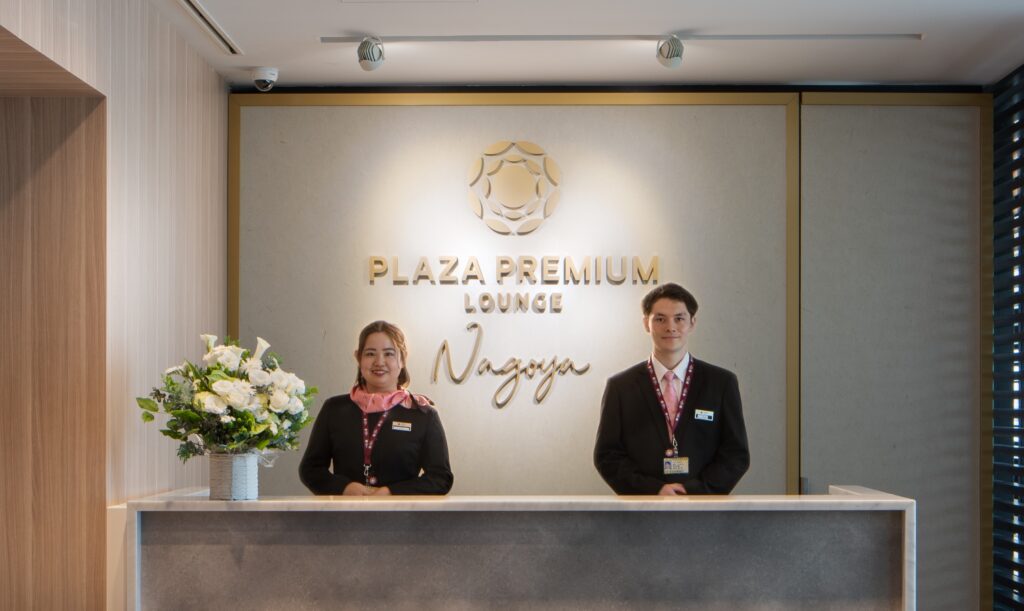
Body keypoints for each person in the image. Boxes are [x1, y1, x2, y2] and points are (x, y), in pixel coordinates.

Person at [594, 283, 749, 495]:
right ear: (646, 324)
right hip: (641, 513)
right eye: (660, 319)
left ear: (692, 323)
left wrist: (693, 491)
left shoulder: (721, 383)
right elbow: (607, 455)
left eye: (679, 318)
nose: (670, 327)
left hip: (704, 511)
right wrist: (654, 490)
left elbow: (735, 455)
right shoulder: (621, 387)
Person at [299, 320, 454, 495]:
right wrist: (344, 488)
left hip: (404, 519)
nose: (379, 362)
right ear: (358, 358)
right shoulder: (334, 409)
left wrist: (391, 493)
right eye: (370, 354)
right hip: (344, 517)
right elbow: (311, 470)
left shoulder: (423, 414)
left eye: (389, 354)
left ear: (402, 359)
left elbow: (441, 478)